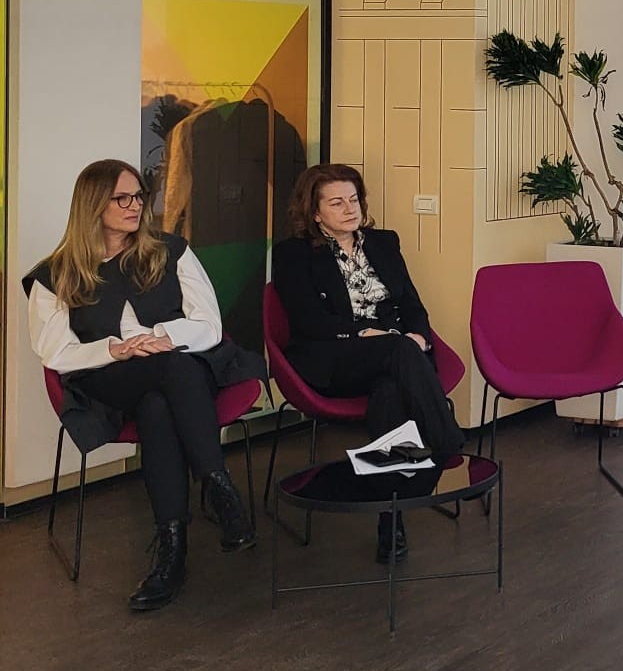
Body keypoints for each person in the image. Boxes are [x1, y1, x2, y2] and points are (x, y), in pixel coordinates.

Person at [24, 159, 261, 612]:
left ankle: (172, 551)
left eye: (139, 196)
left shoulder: (171, 251)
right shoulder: (57, 273)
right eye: (122, 198)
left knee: (158, 402)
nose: (136, 206)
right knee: (169, 372)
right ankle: (218, 487)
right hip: (110, 378)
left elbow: (209, 324)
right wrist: (116, 349)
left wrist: (164, 337)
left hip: (182, 366)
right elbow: (55, 352)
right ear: (93, 205)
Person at [270, 163, 466, 565]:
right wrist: (367, 334)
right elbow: (309, 321)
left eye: (354, 199)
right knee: (397, 352)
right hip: (333, 357)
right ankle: (448, 444)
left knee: (390, 392)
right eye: (336, 203)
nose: (349, 209)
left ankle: (390, 520)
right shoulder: (293, 254)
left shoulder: (383, 243)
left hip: (393, 358)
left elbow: (412, 304)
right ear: (314, 212)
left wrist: (419, 335)